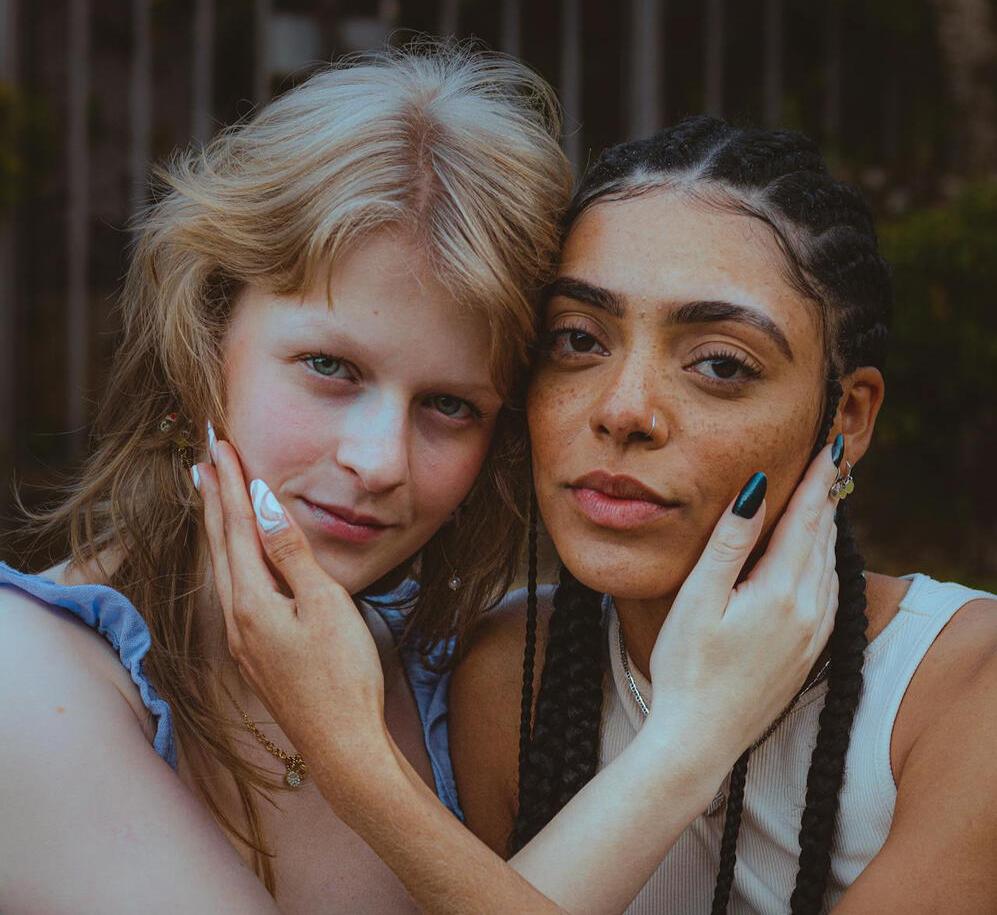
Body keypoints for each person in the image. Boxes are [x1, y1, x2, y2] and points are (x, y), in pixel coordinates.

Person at [0, 49, 835, 915]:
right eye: (329, 366)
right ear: (206, 341)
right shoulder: (27, 678)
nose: (380, 460)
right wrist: (689, 745)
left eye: (449, 405)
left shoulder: (456, 666)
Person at [206, 117, 997, 914]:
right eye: (578, 340)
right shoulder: (510, 676)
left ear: (847, 417)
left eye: (719, 364)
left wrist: (355, 763)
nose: (623, 411)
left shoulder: (965, 690)